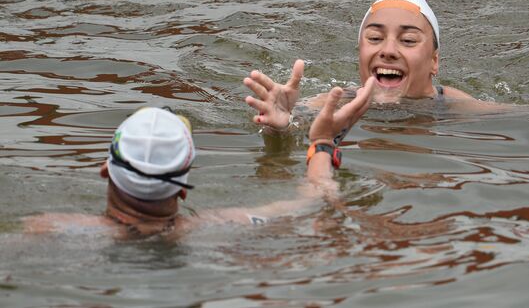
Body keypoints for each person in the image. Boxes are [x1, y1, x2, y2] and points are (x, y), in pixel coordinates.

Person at [23, 89, 376, 238]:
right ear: (184, 187)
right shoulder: (225, 226)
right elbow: (315, 196)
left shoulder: (48, 229)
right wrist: (321, 143)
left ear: (106, 171)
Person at [243, 0, 478, 133]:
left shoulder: (454, 106)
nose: (388, 50)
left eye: (407, 40)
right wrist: (280, 127)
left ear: (434, 62)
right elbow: (293, 122)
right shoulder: (337, 102)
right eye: (375, 38)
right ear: (360, 53)